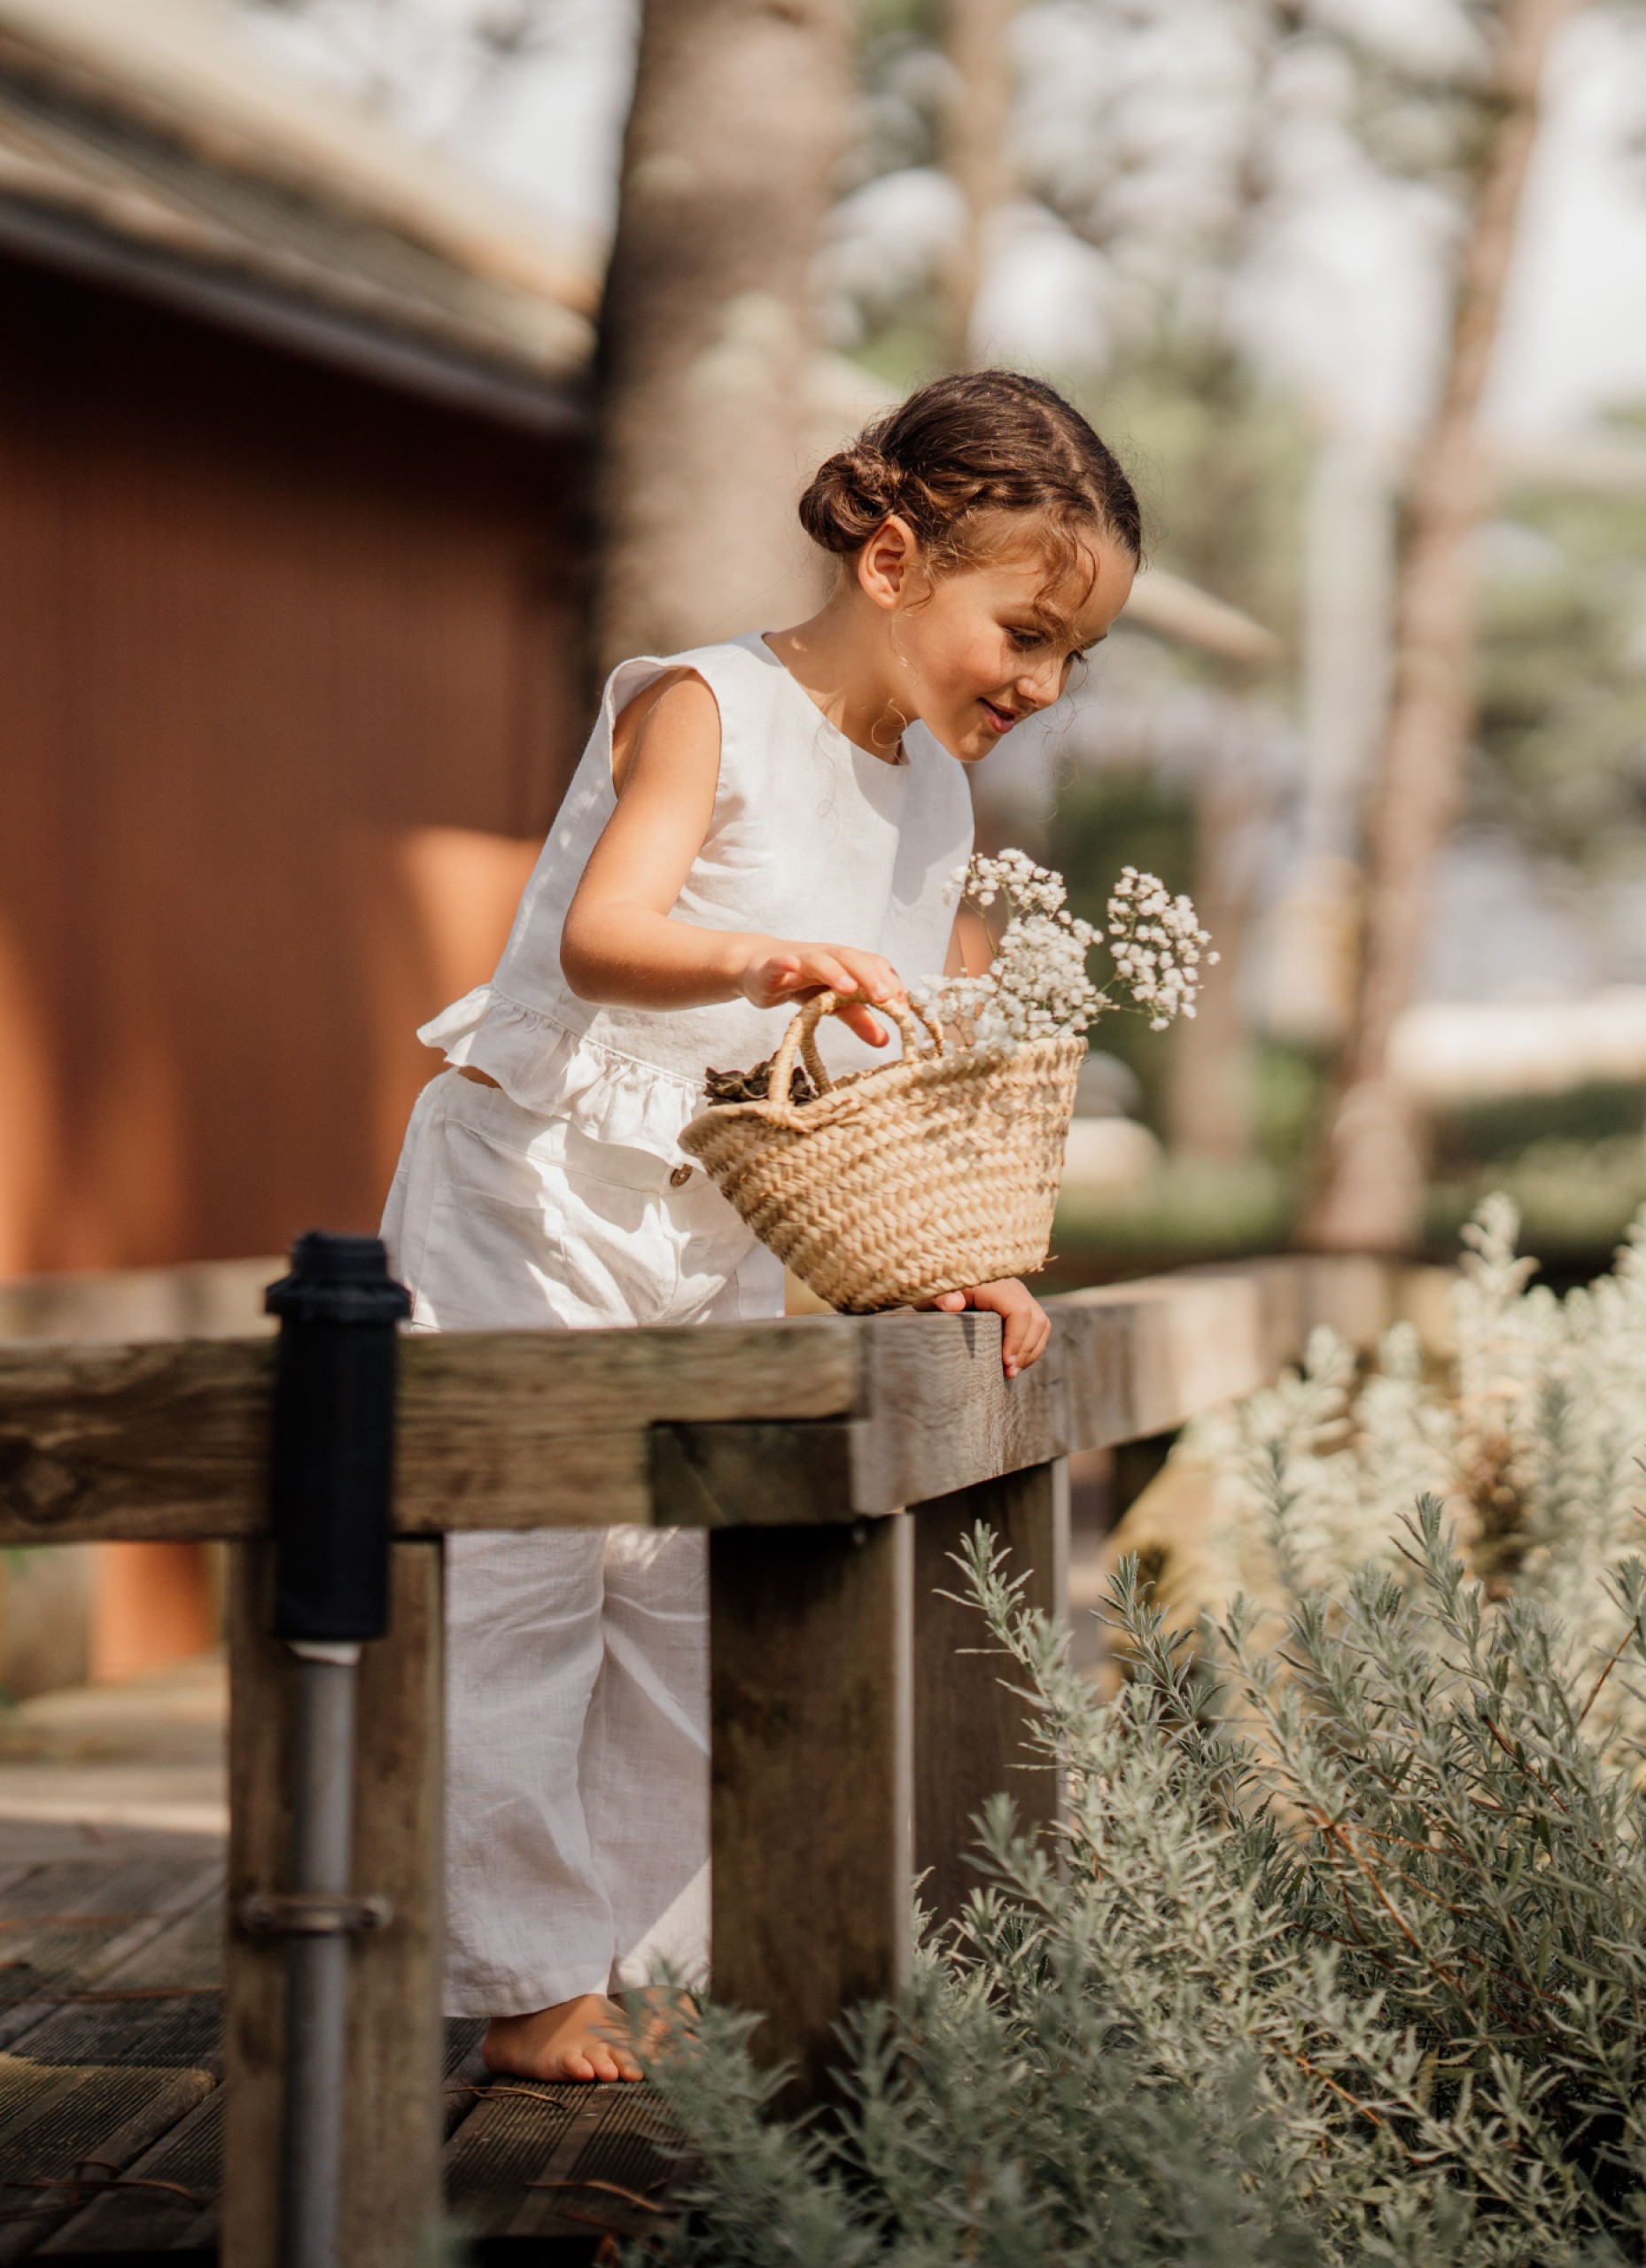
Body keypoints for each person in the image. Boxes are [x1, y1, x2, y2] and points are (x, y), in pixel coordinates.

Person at [380, 369, 1143, 2082]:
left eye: (1070, 657)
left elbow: (906, 1072)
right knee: (520, 1579)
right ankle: (516, 1983)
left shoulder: (935, 797)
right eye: (1021, 630)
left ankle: (635, 1956)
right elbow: (603, 934)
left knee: (680, 1594)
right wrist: (764, 961)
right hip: (541, 1186)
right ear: (891, 562)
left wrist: (956, 1244)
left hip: (721, 1212)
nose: (1039, 683)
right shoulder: (711, 704)